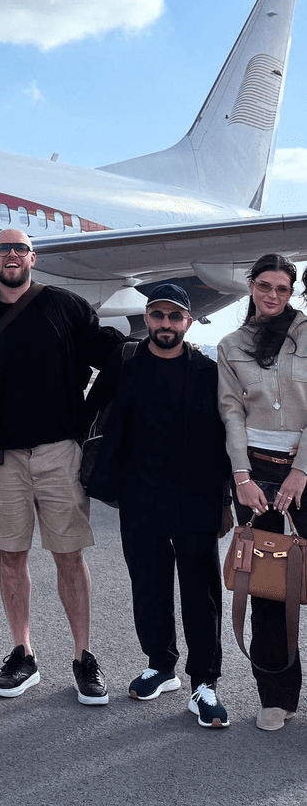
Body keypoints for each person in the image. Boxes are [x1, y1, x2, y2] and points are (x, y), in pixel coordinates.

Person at [0, 228, 121, 706]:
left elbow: (114, 354)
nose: (12, 255)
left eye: (20, 249)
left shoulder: (65, 306)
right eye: (3, 249)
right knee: (11, 556)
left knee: (69, 555)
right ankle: (22, 653)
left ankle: (84, 657)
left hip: (57, 452)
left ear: (33, 257)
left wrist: (87, 420)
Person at [86, 282, 230, 728]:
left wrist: (225, 500)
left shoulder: (207, 372)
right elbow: (90, 411)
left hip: (196, 498)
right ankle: (161, 665)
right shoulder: (126, 364)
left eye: (174, 316)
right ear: (147, 318)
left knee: (201, 593)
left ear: (188, 322)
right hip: (140, 496)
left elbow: (225, 438)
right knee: (148, 586)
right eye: (157, 315)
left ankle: (204, 683)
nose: (165, 323)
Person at [218, 253, 307, 732]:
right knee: (269, 589)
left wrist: (301, 471)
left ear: (291, 293)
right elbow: (231, 412)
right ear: (251, 286)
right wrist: (242, 476)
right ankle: (276, 696)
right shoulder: (230, 345)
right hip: (255, 475)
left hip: (304, 470)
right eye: (265, 285)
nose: (273, 295)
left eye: (282, 288)